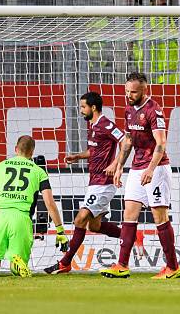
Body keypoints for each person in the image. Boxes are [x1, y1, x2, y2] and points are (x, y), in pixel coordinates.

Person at [44, 92, 143, 275]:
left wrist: (115, 164)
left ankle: (64, 263)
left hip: (104, 182)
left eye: (83, 107)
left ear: (93, 107)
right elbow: (95, 151)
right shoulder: (94, 126)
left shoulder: (105, 124)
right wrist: (78, 156)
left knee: (80, 219)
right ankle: (130, 236)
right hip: (95, 182)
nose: (81, 110)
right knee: (94, 226)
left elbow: (125, 140)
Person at [100, 72, 180, 279]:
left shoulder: (155, 110)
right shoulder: (128, 109)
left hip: (157, 168)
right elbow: (127, 141)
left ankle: (172, 267)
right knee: (129, 214)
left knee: (159, 217)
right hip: (136, 168)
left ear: (145, 90)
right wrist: (118, 166)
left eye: (133, 92)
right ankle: (122, 265)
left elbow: (161, 143)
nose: (129, 95)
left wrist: (151, 169)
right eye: (127, 91)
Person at [0, 135, 68, 277]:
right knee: (17, 267)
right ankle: (18, 264)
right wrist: (60, 231)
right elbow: (50, 204)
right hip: (21, 217)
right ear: (32, 153)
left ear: (16, 149)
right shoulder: (39, 172)